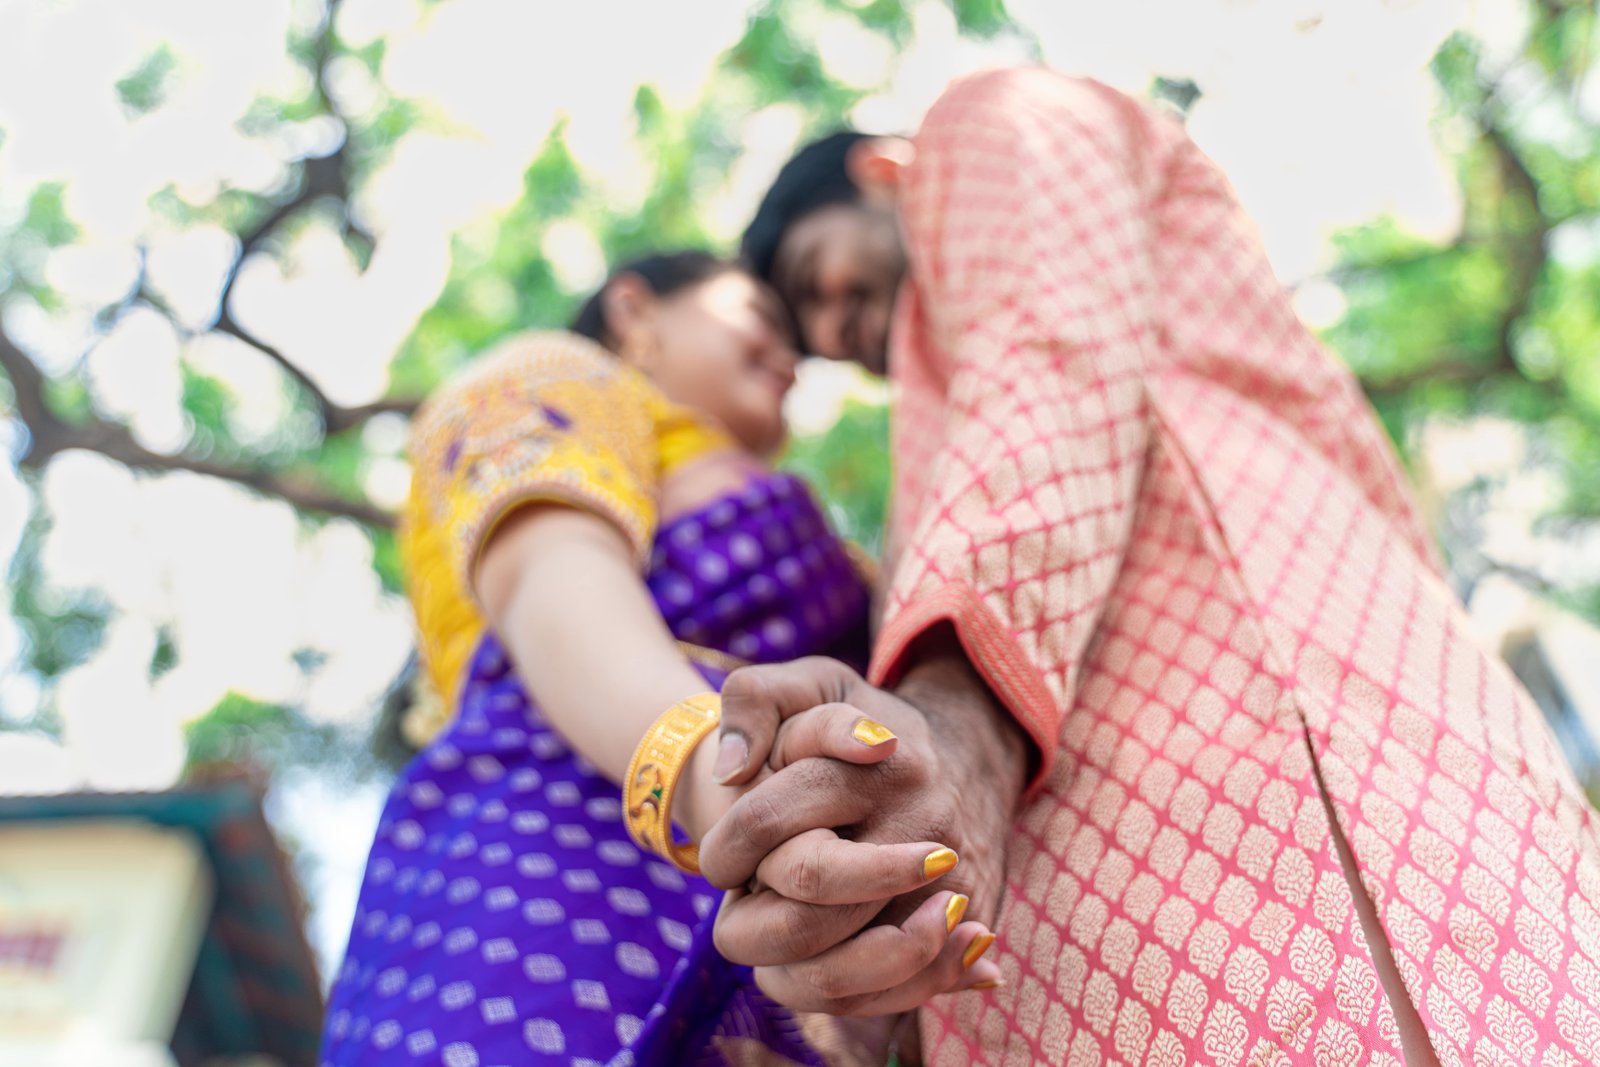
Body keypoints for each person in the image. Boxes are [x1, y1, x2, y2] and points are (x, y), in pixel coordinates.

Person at [701, 69, 1600, 1066]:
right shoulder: (935, 417)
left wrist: (959, 727)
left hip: (1272, 730)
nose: (831, 332)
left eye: (813, 277)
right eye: (813, 336)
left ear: (882, 172)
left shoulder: (993, 118)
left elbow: (1054, 351)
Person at [320, 252, 1001, 1067]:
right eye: (762, 317)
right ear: (636, 310)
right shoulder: (552, 375)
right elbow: (550, 576)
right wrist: (720, 780)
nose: (792, 359)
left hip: (786, 955)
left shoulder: (842, 541)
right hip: (544, 878)